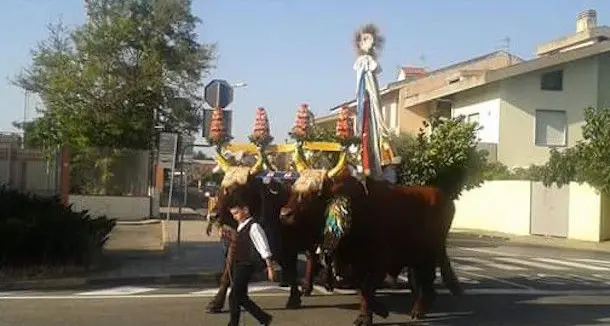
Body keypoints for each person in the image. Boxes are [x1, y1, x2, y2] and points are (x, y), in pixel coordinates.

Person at [227, 195, 275, 326]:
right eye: (233, 214)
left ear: (246, 210)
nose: (234, 216)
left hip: (247, 264)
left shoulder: (254, 227)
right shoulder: (241, 226)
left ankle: (233, 324)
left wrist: (270, 267)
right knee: (241, 297)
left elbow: (263, 247)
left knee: (234, 296)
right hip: (239, 264)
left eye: (237, 213)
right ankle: (264, 318)